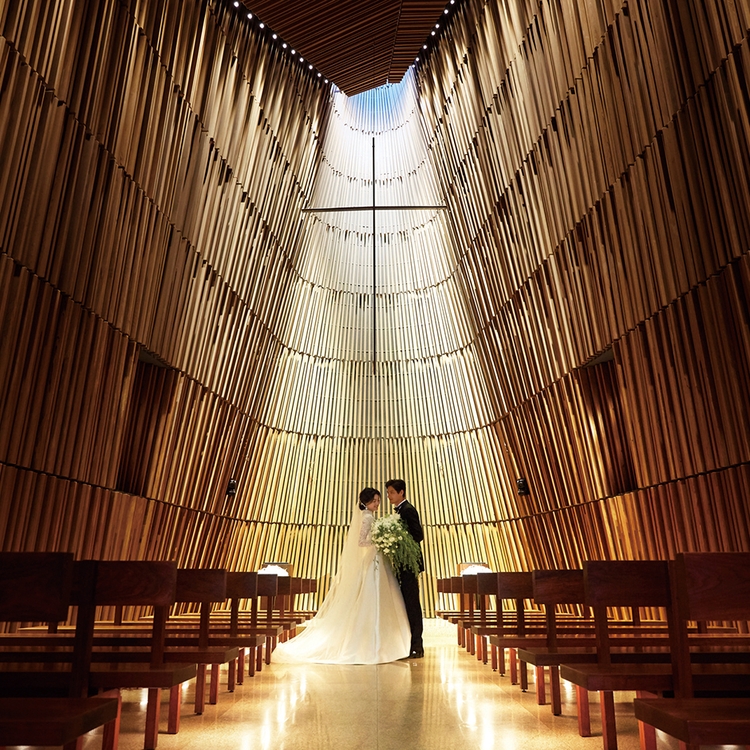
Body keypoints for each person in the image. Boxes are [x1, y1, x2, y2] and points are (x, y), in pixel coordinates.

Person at [272, 487, 411, 664]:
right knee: (371, 596)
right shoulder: (367, 517)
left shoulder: (368, 516)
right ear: (365, 502)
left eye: (378, 500)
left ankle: (382, 642)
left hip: (377, 559)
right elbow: (361, 542)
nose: (377, 503)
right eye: (374, 500)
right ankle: (375, 644)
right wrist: (379, 539)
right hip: (373, 559)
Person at [385, 478, 424, 658]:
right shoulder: (400, 510)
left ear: (401, 492)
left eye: (391, 492)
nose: (389, 496)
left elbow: (418, 535)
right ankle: (409, 643)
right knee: (406, 603)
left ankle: (417, 645)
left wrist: (399, 536)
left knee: (412, 603)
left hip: (409, 563)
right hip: (402, 563)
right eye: (388, 493)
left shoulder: (408, 510)